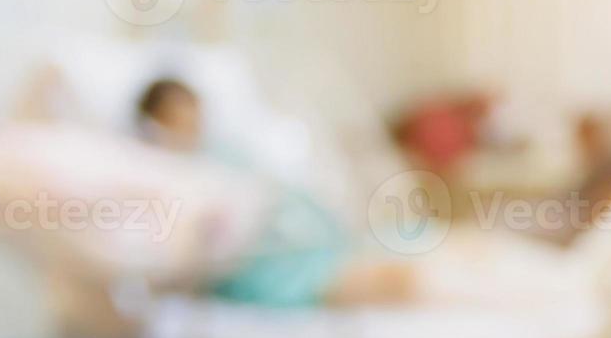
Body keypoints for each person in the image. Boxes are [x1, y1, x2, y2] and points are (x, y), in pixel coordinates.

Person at [135, 77, 415, 307]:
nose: (190, 128)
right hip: (262, 266)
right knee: (398, 280)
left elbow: (273, 191)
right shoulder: (159, 174)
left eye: (193, 118)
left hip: (303, 236)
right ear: (155, 124)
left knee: (406, 249)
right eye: (178, 119)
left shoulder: (226, 153)